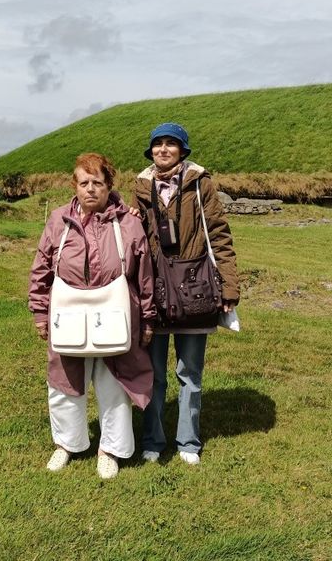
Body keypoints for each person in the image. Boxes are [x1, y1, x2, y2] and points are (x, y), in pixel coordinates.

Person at [29, 153, 156, 480]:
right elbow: (41, 269)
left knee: (114, 383)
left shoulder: (128, 223)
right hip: (67, 316)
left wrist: (148, 319)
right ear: (75, 186)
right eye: (83, 183)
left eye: (97, 183)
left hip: (116, 316)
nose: (90, 190)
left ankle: (110, 450)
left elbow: (144, 276)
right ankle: (67, 444)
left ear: (109, 185)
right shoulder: (58, 220)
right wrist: (41, 313)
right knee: (64, 382)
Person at [134, 123, 239, 465]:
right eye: (157, 144)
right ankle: (152, 439)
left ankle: (188, 442)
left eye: (171, 144)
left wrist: (229, 286)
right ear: (151, 151)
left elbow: (219, 234)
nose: (163, 149)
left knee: (189, 374)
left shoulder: (200, 184)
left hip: (195, 285)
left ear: (183, 150)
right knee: (153, 374)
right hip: (156, 288)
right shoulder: (140, 186)